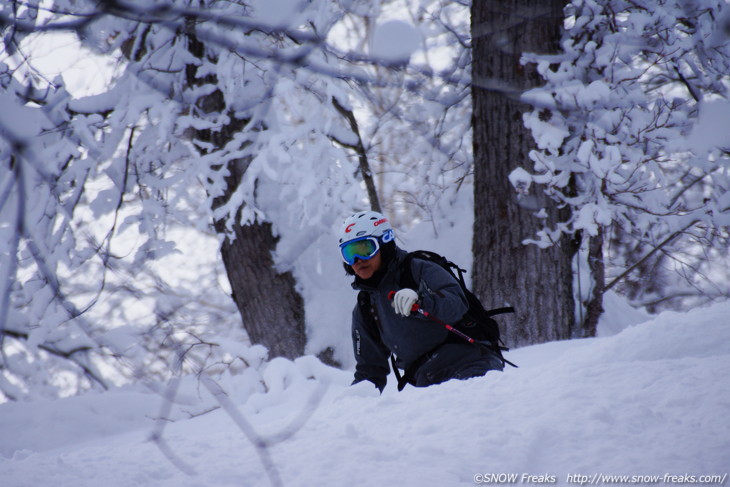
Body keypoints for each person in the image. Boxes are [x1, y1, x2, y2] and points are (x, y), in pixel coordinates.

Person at [338, 210, 504, 392]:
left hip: (469, 363)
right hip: (427, 383)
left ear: (384, 243)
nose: (357, 260)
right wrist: (353, 402)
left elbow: (457, 303)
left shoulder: (417, 269)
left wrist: (423, 302)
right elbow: (370, 370)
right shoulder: (366, 306)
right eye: (349, 253)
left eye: (365, 249)